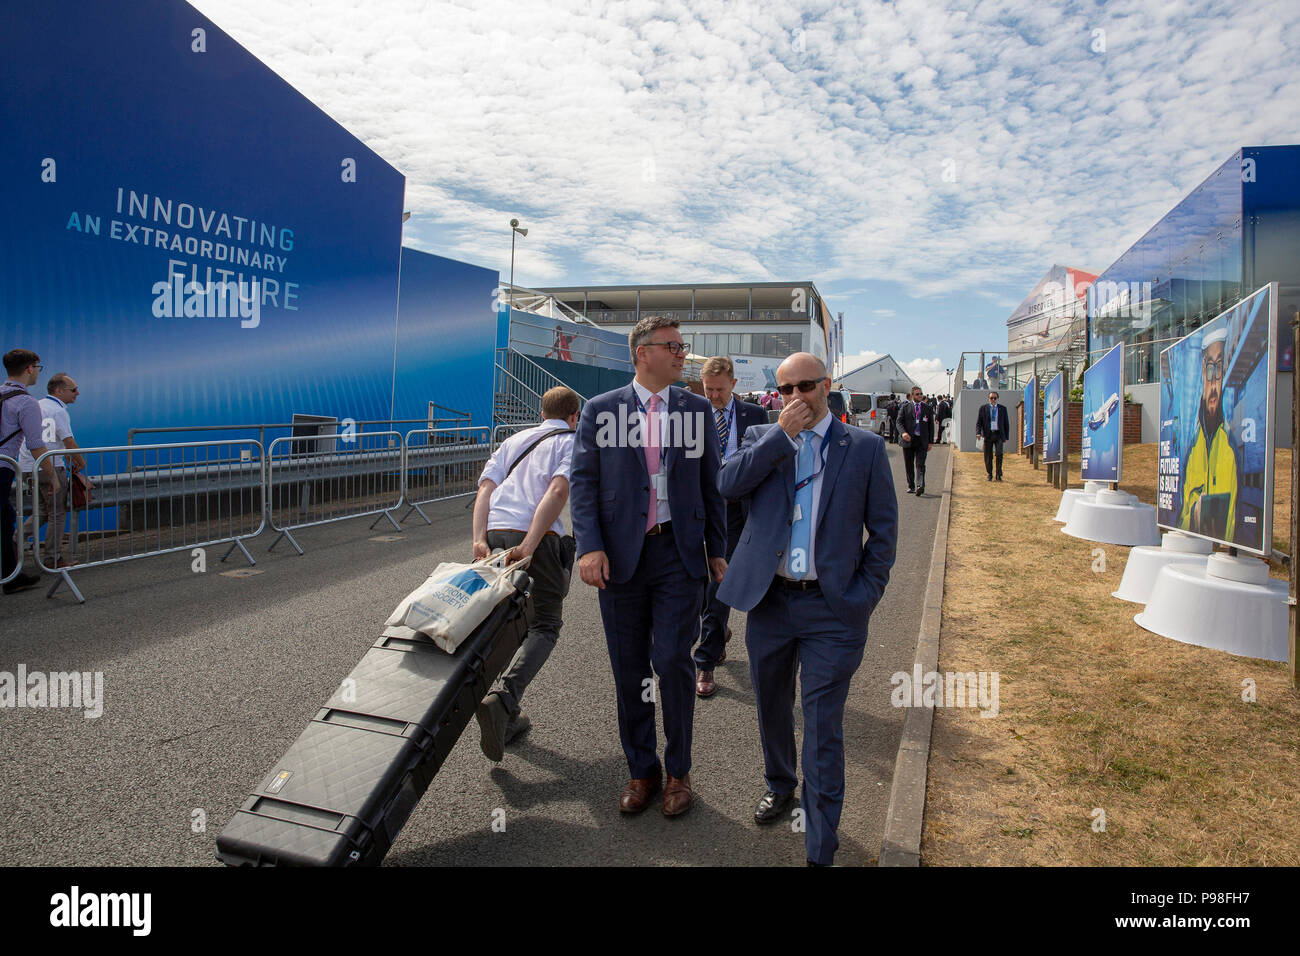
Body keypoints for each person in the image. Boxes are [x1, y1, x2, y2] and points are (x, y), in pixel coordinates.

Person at [716, 352, 897, 866]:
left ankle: (820, 847)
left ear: (828, 385)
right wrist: (780, 436)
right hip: (770, 602)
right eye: (786, 390)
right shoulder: (761, 440)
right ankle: (779, 782)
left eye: (807, 386)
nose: (797, 398)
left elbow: (884, 534)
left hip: (832, 610)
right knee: (771, 704)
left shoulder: (862, 448)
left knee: (821, 726)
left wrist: (863, 596)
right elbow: (727, 486)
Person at [570, 315, 726, 817]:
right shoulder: (600, 410)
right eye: (674, 347)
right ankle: (642, 770)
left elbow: (711, 483)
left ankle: (679, 771)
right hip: (620, 558)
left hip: (679, 555)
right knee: (629, 667)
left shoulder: (697, 410)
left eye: (683, 347)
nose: (683, 354)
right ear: (642, 352)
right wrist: (589, 546)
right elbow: (583, 484)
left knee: (673, 662)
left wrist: (717, 549)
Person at [471, 386, 581, 761]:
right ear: (574, 416)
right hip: (538, 534)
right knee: (545, 624)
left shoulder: (513, 441)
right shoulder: (569, 441)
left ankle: (503, 710)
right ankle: (504, 698)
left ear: (541, 412)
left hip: (495, 532)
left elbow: (485, 489)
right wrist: (532, 544)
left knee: (502, 620)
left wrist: (478, 540)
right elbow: (557, 491)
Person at [694, 356, 766, 698]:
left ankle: (704, 662)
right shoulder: (692, 414)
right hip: (700, 509)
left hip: (737, 512)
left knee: (719, 583)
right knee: (696, 584)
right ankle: (717, 632)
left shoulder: (755, 415)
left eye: (720, 390)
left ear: (734, 385)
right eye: (709, 389)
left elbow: (765, 461)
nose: (714, 396)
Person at [18, 372, 88, 570]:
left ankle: (16, 539)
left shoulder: (36, 405)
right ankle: (52, 557)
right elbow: (68, 440)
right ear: (59, 391)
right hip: (49, 466)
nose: (77, 393)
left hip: (26, 465)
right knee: (57, 512)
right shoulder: (58, 411)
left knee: (42, 509)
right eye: (73, 390)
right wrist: (79, 461)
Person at [1, 350, 57, 594]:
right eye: (38, 367)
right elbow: (36, 444)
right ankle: (10, 576)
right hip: (2, 468)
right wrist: (52, 475)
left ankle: (11, 575)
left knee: (6, 518)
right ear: (29, 369)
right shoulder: (26, 402)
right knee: (4, 519)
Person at [1178, 327, 1238, 538]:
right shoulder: (1193, 446)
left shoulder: (1233, 445)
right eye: (1209, 369)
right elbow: (1182, 514)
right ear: (1202, 372)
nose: (1213, 383)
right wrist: (1195, 514)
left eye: (1219, 368)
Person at [896, 385, 933, 495]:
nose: (920, 396)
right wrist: (903, 433)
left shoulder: (927, 408)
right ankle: (911, 485)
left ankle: (920, 485)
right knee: (909, 464)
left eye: (921, 393)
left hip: (922, 440)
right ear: (912, 396)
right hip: (908, 440)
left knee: (920, 464)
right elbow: (899, 422)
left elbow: (931, 426)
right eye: (917, 394)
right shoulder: (905, 407)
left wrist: (930, 441)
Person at [975, 390, 1010, 481]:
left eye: (995, 398)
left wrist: (1006, 436)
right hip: (988, 434)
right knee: (988, 455)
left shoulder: (1002, 409)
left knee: (999, 454)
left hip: (998, 434)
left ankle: (998, 474)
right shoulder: (983, 408)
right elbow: (979, 422)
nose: (993, 400)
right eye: (991, 398)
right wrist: (978, 433)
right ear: (989, 399)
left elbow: (1006, 423)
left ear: (997, 399)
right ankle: (989, 474)